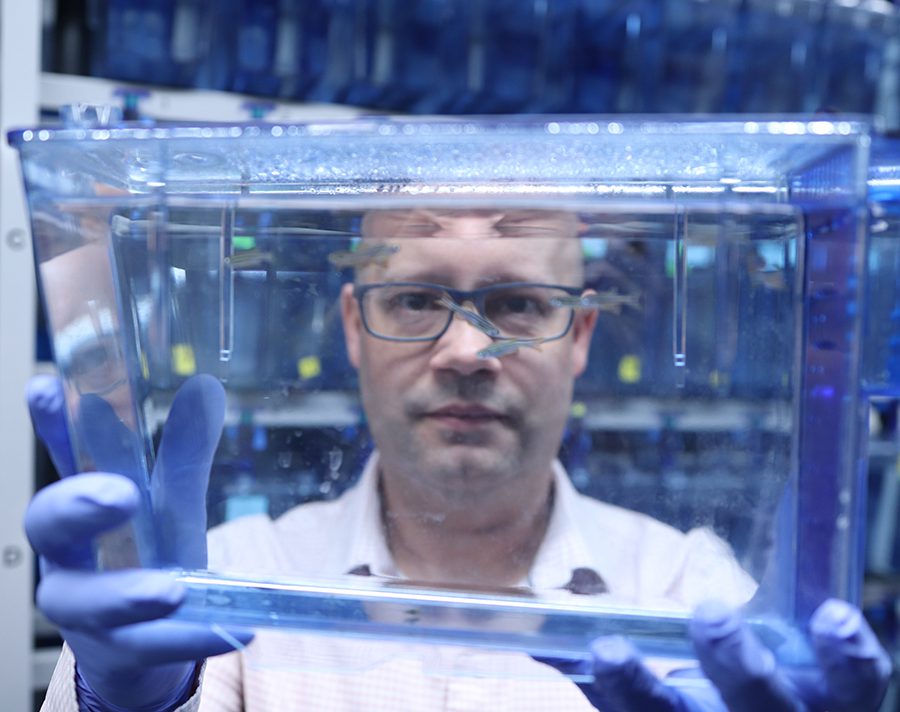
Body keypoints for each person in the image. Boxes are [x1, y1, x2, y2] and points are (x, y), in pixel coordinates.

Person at [26, 208, 891, 711]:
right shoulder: (234, 582)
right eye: (414, 299)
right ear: (352, 327)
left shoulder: (691, 595)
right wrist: (128, 704)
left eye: (515, 302)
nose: (468, 349)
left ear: (583, 335)